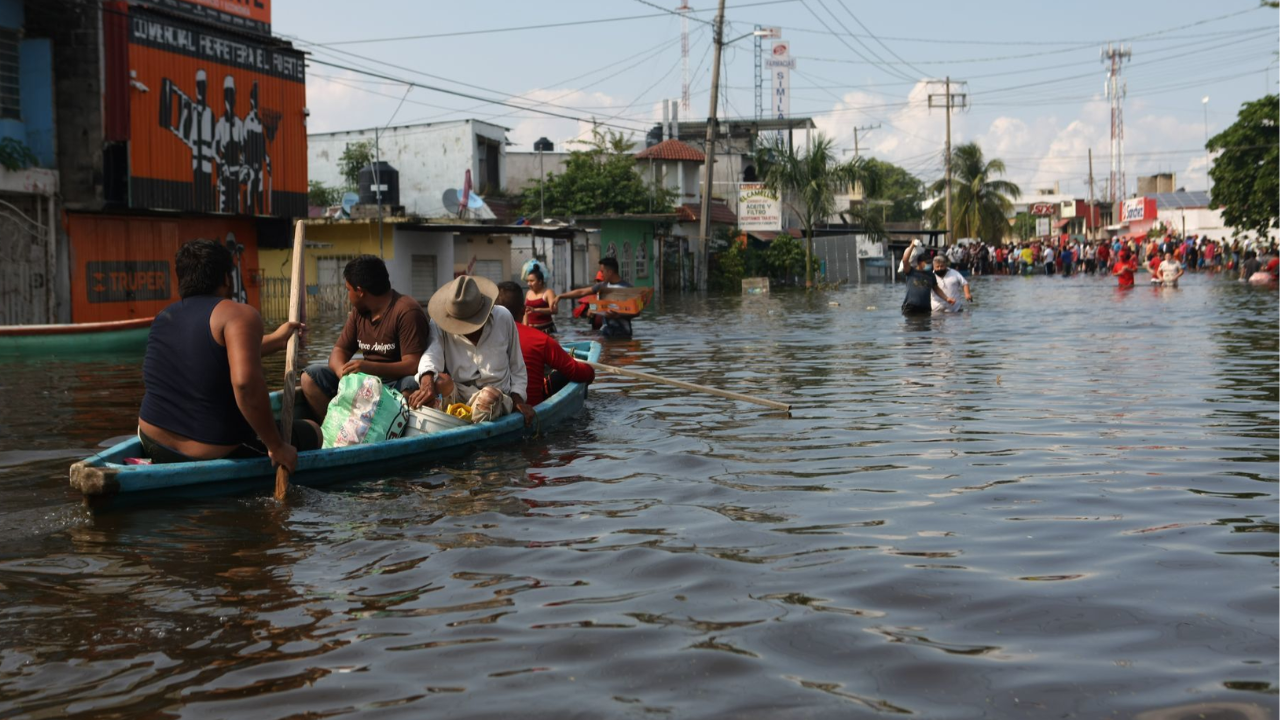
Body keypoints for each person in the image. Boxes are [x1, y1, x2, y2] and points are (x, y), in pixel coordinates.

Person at [137, 239, 318, 471]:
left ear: (181, 279)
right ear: (226, 278)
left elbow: (216, 354)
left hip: (152, 441)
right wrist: (277, 446)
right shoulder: (238, 314)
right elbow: (245, 385)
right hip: (210, 451)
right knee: (313, 430)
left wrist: (277, 340)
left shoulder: (164, 317)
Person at [301, 255, 430, 422]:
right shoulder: (359, 312)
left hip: (393, 384)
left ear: (360, 291)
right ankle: (335, 429)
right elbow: (339, 351)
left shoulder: (407, 311)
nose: (348, 295)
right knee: (310, 377)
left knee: (411, 386)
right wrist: (344, 375)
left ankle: (390, 435)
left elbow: (413, 365)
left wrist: (369, 368)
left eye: (348, 290)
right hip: (363, 382)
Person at [408, 275, 535, 425]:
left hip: (497, 395)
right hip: (460, 392)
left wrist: (518, 399)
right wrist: (426, 383)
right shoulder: (438, 323)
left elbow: (517, 367)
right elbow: (431, 354)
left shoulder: (504, 317)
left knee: (488, 398)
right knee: (441, 382)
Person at [496, 281, 594, 406]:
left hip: (495, 406)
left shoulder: (481, 337)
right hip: (531, 408)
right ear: (523, 310)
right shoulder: (540, 339)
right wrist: (590, 372)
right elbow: (577, 372)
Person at [558, 257, 639, 338]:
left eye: (602, 271)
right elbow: (581, 292)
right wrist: (561, 296)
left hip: (623, 334)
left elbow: (636, 312)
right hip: (606, 332)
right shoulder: (602, 286)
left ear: (610, 272)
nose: (601, 274)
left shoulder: (627, 289)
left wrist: (618, 315)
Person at [899, 240, 954, 314]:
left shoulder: (931, 275)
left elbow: (936, 289)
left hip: (925, 308)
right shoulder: (911, 271)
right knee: (912, 325)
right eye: (927, 263)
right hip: (911, 307)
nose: (929, 264)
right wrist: (912, 245)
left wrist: (947, 298)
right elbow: (905, 260)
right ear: (920, 263)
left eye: (929, 262)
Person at [522, 265, 558, 334]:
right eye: (528, 281)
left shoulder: (548, 292)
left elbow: (554, 310)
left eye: (532, 281)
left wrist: (536, 310)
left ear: (540, 281)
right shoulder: (529, 293)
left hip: (546, 329)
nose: (529, 283)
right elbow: (525, 311)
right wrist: (525, 327)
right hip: (531, 330)